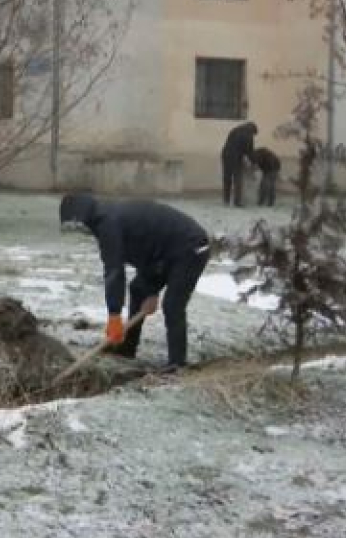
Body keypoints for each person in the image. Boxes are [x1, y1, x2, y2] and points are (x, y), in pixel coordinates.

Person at [60, 193, 211, 372]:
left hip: (191, 247)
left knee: (172, 305)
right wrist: (151, 290)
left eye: (77, 225)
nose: (81, 232)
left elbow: (114, 271)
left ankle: (177, 363)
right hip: (162, 254)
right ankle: (127, 348)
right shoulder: (106, 217)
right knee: (138, 289)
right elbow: (144, 249)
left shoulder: (108, 223)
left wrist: (114, 315)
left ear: (83, 217)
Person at [221, 122, 258, 207]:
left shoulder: (234, 130)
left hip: (225, 154)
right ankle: (237, 202)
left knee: (227, 178)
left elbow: (231, 143)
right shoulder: (248, 135)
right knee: (237, 179)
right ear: (253, 130)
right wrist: (254, 162)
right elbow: (249, 151)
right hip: (235, 157)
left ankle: (226, 200)